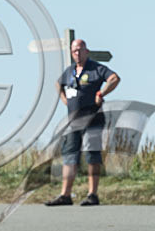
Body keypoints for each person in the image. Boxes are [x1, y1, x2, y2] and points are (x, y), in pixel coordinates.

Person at [45, 39, 120, 206]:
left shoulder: (96, 68)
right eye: (74, 51)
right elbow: (58, 84)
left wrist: (101, 93)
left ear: (87, 51)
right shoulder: (70, 71)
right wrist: (64, 99)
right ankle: (66, 195)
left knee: (92, 155)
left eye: (80, 50)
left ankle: (92, 194)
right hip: (73, 122)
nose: (77, 54)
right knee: (69, 156)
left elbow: (114, 78)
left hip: (93, 119)